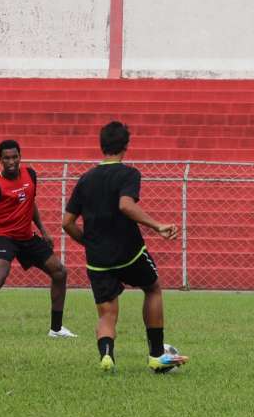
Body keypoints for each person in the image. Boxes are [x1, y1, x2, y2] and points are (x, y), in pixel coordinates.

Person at [62, 121, 187, 373]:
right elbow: (125, 205)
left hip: (98, 259)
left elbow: (67, 222)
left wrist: (88, 241)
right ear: (126, 147)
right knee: (152, 288)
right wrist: (157, 225)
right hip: (129, 253)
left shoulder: (85, 179)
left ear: (102, 146)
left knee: (107, 314)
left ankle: (107, 357)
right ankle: (155, 355)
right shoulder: (128, 174)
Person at [0, 140, 76, 339]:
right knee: (0, 275)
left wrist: (43, 230)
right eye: (6, 158)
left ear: (20, 156)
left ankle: (56, 329)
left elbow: (30, 203)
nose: (11, 161)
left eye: (14, 157)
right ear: (0, 160)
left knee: (60, 272)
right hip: (4, 236)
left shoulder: (31, 175)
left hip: (27, 236)